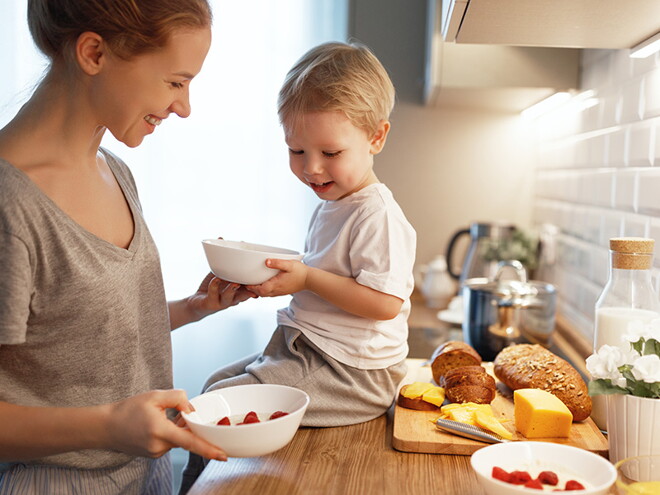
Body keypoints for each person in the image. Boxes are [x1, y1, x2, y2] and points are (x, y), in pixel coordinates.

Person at [0, 1, 255, 493]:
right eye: (175, 82)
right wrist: (110, 426)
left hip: (143, 475)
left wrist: (192, 308)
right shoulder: (11, 205)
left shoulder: (115, 170)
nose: (184, 106)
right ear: (94, 52)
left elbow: (75, 334)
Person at [179, 41, 416, 492]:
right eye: (296, 151)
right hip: (311, 351)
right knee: (213, 385)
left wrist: (305, 277)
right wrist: (279, 276)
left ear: (377, 137)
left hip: (352, 374)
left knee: (215, 404)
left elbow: (385, 303)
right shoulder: (336, 203)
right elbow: (327, 281)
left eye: (330, 153)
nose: (311, 168)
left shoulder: (377, 214)